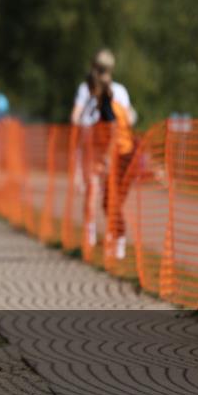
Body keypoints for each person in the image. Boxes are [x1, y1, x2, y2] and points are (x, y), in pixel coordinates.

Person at [70, 49, 136, 248]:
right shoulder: (89, 89)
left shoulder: (115, 94)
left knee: (109, 198)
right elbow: (76, 117)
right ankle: (97, 235)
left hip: (114, 150)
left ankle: (116, 238)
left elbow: (121, 124)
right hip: (96, 147)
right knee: (97, 193)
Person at [87, 69, 136, 260]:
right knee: (109, 201)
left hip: (124, 155)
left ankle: (119, 242)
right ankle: (114, 238)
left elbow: (114, 132)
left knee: (112, 201)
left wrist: (107, 158)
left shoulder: (108, 106)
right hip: (120, 154)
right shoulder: (104, 105)